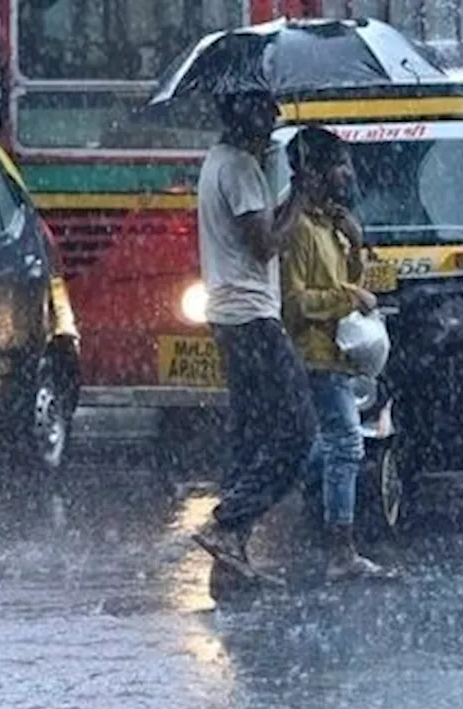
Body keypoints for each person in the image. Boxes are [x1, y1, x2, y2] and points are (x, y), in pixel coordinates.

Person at [191, 90, 317, 584]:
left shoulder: (218, 161)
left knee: (249, 433)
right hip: (251, 316)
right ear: (245, 117)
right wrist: (302, 196)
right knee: (297, 430)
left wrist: (284, 196)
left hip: (230, 313)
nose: (275, 120)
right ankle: (230, 522)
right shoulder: (241, 168)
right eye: (267, 112)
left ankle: (230, 561)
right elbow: (264, 244)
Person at [280, 126, 396, 581]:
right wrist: (350, 297)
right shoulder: (298, 231)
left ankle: (276, 489)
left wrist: (354, 243)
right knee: (346, 442)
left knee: (323, 446)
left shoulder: (329, 226)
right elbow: (297, 303)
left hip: (337, 355)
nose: (347, 173)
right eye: (339, 165)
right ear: (314, 172)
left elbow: (344, 280)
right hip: (315, 356)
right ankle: (340, 550)